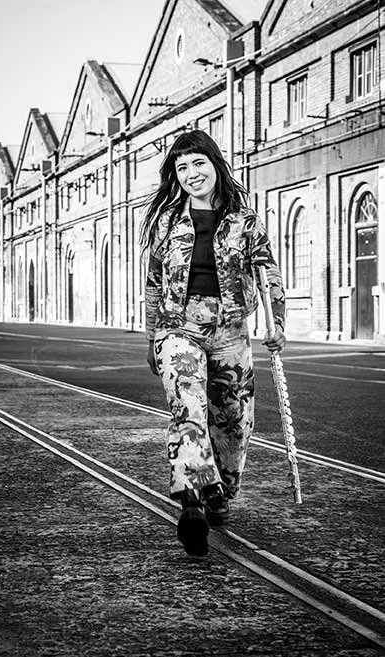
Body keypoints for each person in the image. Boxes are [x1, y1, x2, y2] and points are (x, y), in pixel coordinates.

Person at [140, 129, 285, 557]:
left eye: (198, 163)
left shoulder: (245, 221)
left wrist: (277, 323)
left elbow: (268, 274)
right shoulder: (166, 221)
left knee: (234, 423)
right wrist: (151, 337)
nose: (191, 173)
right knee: (189, 412)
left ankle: (220, 492)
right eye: (182, 167)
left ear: (215, 164)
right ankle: (193, 502)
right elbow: (153, 283)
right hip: (177, 329)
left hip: (231, 333)